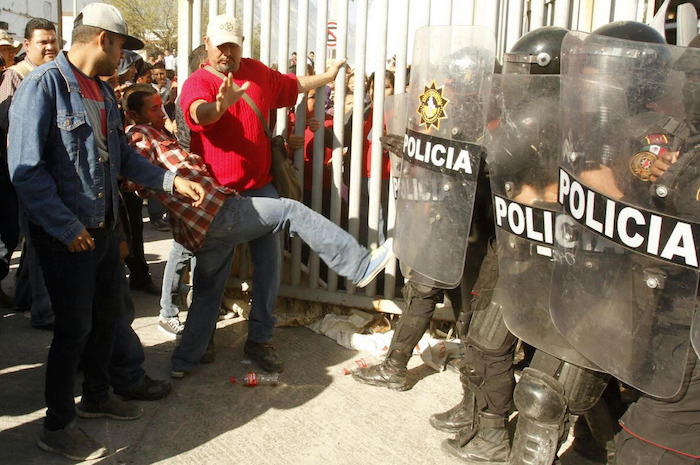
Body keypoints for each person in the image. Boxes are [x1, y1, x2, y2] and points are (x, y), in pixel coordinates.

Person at [7, 4, 205, 460]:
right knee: (72, 332)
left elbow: (124, 158)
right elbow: (26, 171)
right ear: (102, 39)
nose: (124, 57)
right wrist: (66, 226)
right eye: (122, 46)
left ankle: (98, 396)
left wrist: (170, 180)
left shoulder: (101, 92)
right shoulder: (43, 86)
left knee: (109, 319)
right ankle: (57, 425)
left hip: (101, 228)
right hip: (65, 236)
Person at [121, 83, 394, 378]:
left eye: (161, 106)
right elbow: (137, 176)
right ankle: (359, 265)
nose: (162, 113)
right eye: (153, 108)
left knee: (207, 293)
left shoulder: (157, 133)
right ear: (133, 114)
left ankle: (184, 361)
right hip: (217, 214)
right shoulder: (138, 136)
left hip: (206, 222)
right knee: (290, 210)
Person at [178, 13, 352, 373]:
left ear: (242, 45)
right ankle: (200, 340)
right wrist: (219, 107)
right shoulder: (197, 82)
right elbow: (200, 113)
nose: (227, 51)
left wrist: (329, 76)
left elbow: (292, 84)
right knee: (211, 275)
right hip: (218, 199)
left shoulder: (256, 71)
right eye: (221, 44)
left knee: (270, 269)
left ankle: (260, 339)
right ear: (207, 44)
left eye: (233, 44)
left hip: (262, 188)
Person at [0, 18, 59, 324]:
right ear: (26, 46)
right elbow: (11, 127)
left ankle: (26, 298)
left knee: (36, 243)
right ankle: (42, 310)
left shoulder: (52, 74)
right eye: (42, 42)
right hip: (28, 172)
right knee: (37, 245)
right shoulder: (16, 75)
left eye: (53, 40)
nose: (50, 46)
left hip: (48, 171)